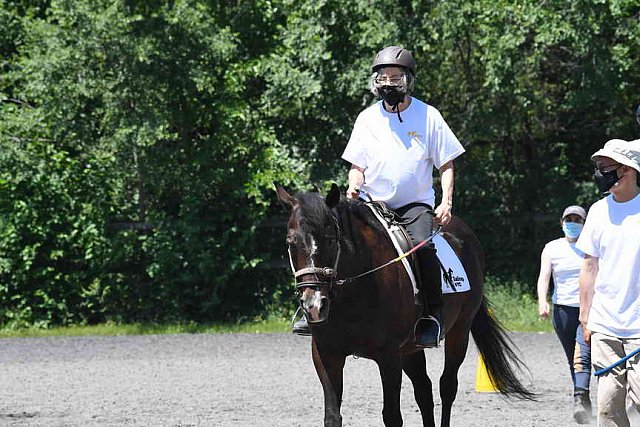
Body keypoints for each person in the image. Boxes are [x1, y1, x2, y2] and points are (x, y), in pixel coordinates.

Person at [326, 45, 463, 348]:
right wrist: (354, 184)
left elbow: (447, 164)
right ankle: (323, 312)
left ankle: (432, 314)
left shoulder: (429, 116)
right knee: (334, 239)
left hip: (415, 206)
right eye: (383, 77)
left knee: (420, 247)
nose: (389, 83)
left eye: (395, 77)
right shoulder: (366, 119)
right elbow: (356, 166)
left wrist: (446, 201)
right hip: (373, 206)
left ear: (407, 81)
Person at [577, 138, 640, 426]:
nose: (599, 172)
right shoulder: (598, 211)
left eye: (605, 167)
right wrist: (584, 315)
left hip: (639, 326)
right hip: (605, 325)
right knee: (608, 408)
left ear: (626, 170)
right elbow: (589, 266)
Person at [536, 205, 592, 424]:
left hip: (589, 309)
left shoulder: (592, 247)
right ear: (561, 223)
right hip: (562, 310)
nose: (572, 224)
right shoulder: (552, 248)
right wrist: (543, 301)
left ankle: (581, 398)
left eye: (577, 220)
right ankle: (582, 400)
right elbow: (544, 277)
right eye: (568, 219)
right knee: (574, 359)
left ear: (585, 224)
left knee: (583, 355)